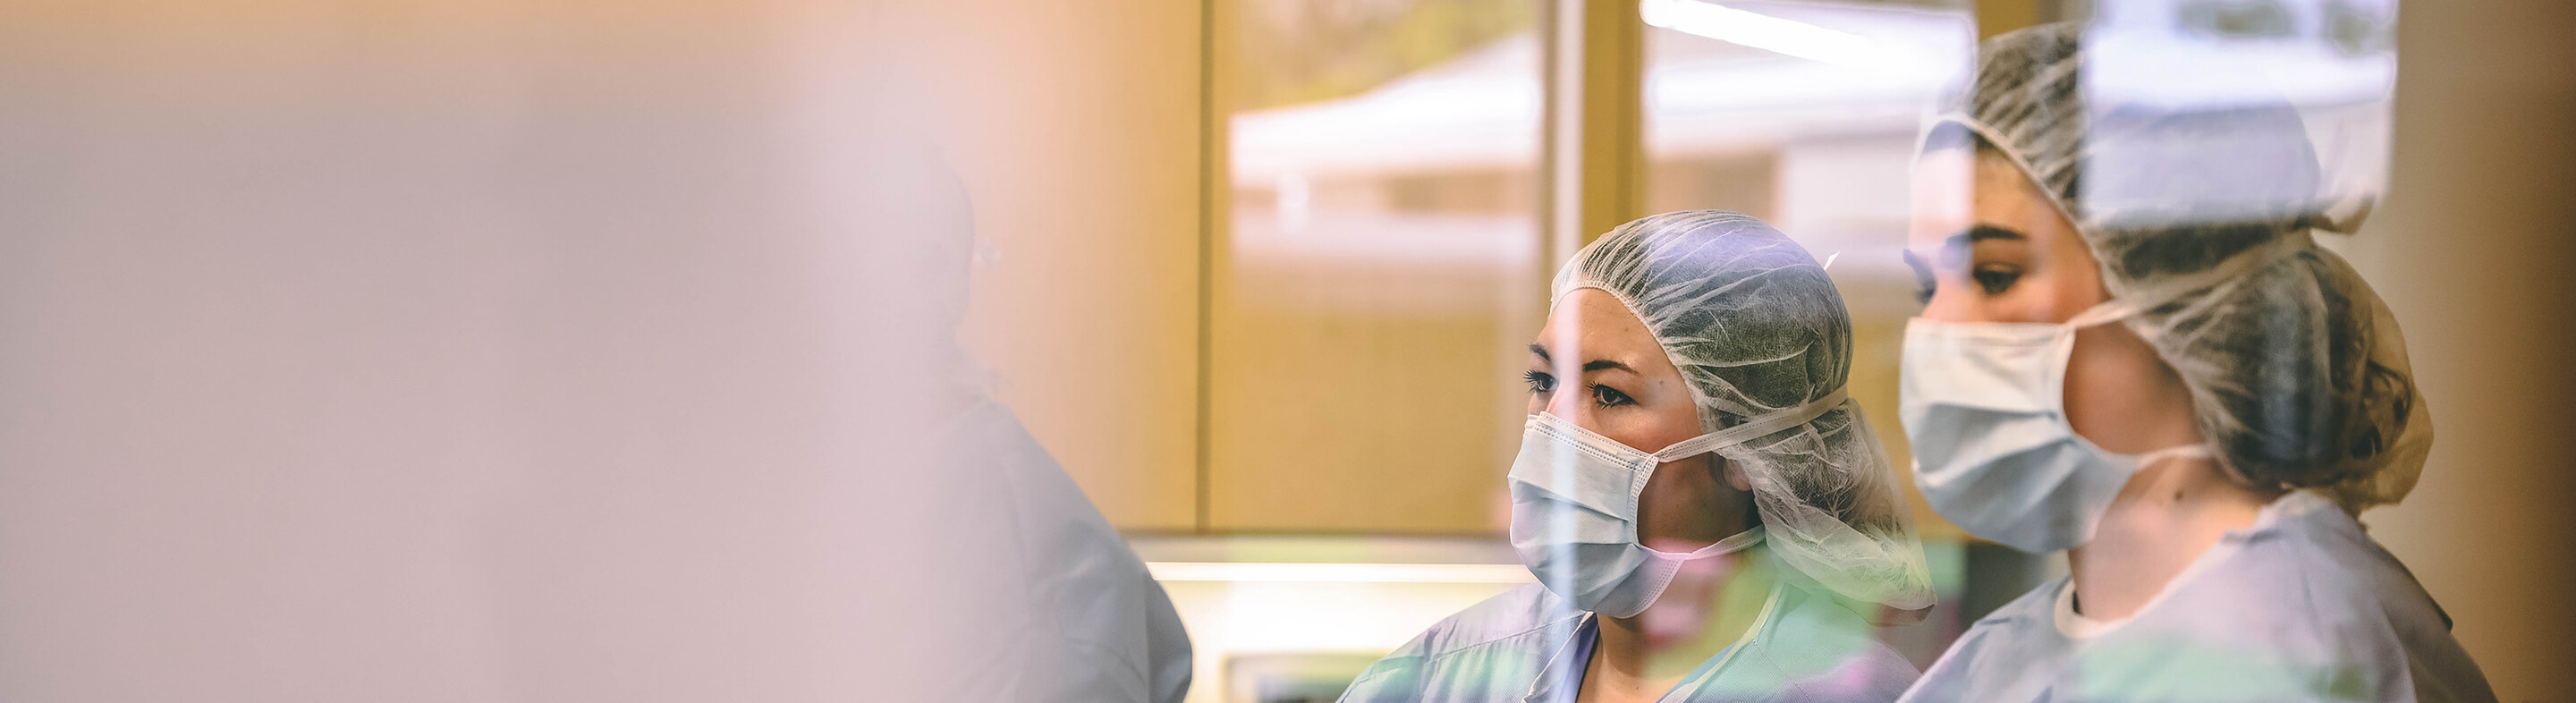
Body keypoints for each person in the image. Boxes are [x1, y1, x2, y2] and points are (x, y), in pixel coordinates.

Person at [1894, 22, 2494, 702]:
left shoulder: (2297, 651)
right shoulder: (2007, 656)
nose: (1933, 328)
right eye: (1925, 286)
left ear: (2177, 293)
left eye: (1994, 275)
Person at [1340, 210, 1935, 703]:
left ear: (1749, 446)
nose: (1553, 428)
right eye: (1543, 381)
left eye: (1608, 393)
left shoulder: (1847, 692)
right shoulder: (1446, 676)